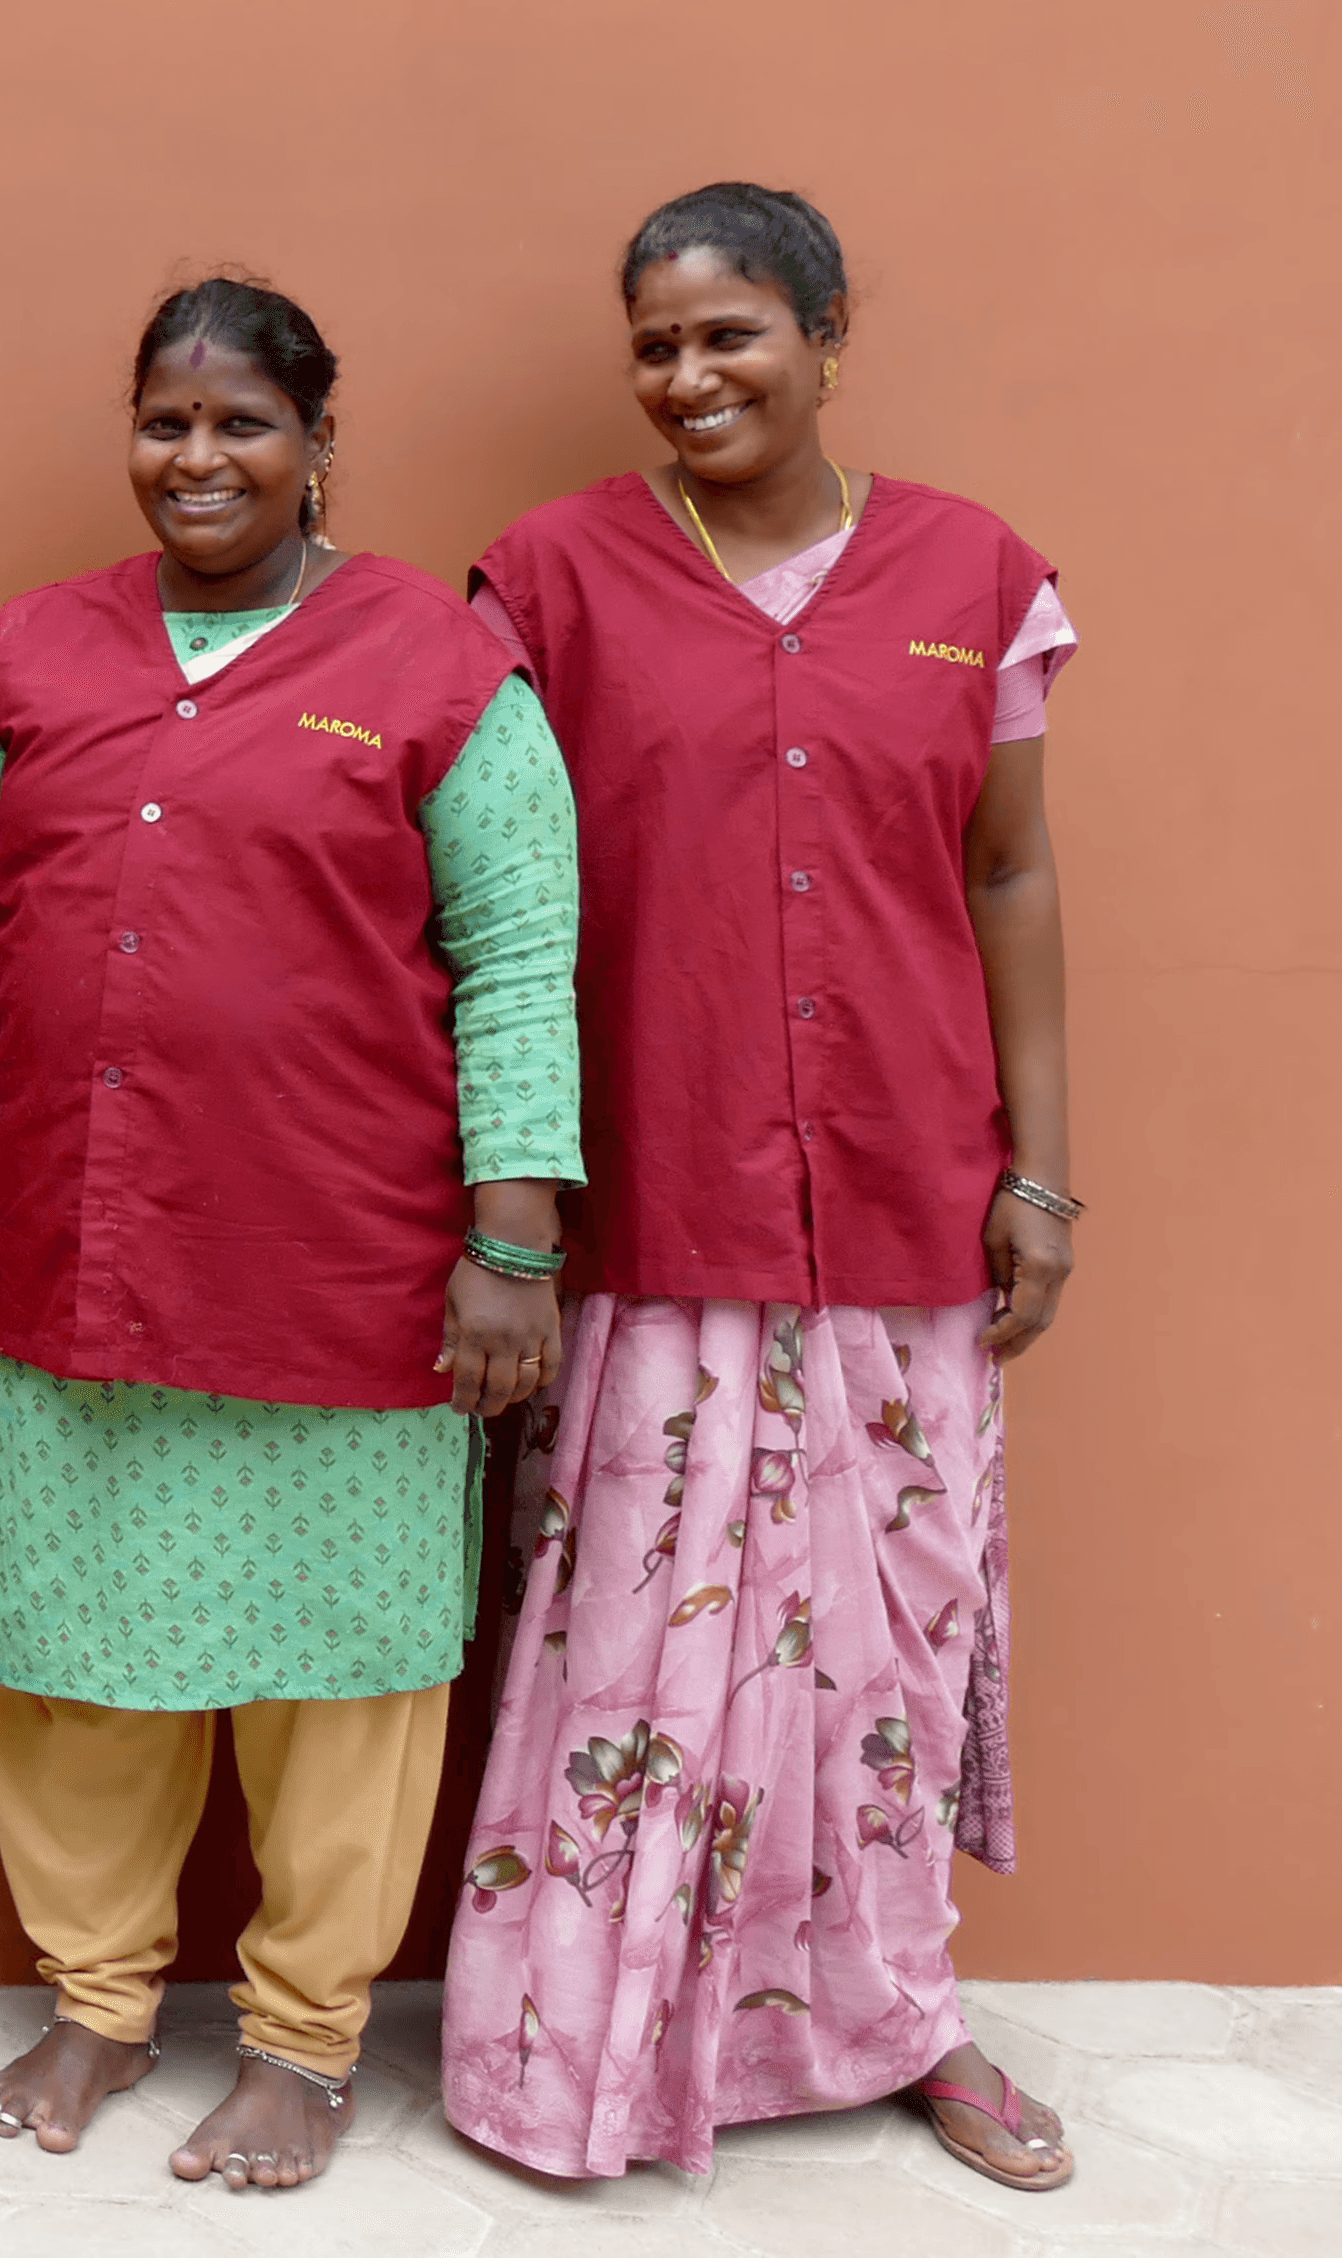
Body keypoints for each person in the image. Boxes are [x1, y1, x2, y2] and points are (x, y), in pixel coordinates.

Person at [0, 276, 582, 2194]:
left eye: (242, 425)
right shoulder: (21, 657)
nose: (199, 460)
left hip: (338, 1267)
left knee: (344, 1675)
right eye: (167, 425)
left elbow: (517, 954)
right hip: (62, 1250)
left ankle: (303, 2041)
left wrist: (511, 1233)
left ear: (318, 444)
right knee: (71, 1656)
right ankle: (98, 1998)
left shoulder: (437, 667)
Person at [442, 183, 1081, 2195]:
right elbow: (487, 903)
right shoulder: (542, 583)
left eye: (728, 332)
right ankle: (596, 2031)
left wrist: (1040, 1174)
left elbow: (1004, 873)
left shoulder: (967, 571)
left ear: (819, 337)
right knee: (632, 1653)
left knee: (878, 1654)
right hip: (657, 1212)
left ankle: (899, 2018)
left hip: (901, 1196)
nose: (686, 373)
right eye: (653, 341)